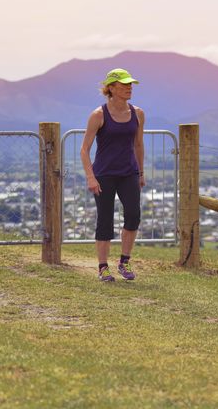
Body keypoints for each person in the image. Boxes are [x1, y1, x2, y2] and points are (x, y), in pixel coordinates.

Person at [80, 68, 146, 282]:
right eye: (124, 84)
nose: (129, 88)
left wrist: (141, 172)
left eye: (130, 84)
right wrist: (91, 177)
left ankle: (124, 262)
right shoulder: (98, 115)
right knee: (105, 221)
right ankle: (102, 267)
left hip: (129, 173)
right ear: (111, 88)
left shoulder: (138, 113)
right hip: (104, 174)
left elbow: (138, 144)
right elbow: (84, 149)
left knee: (133, 216)